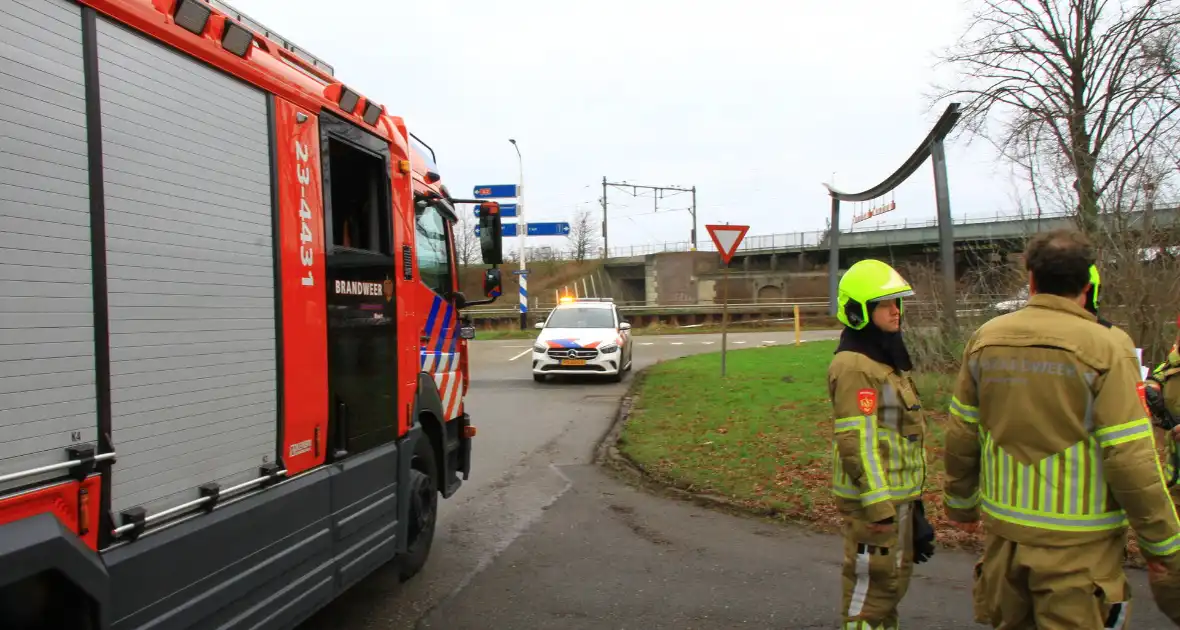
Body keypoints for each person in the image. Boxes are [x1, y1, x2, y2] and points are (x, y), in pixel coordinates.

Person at [942, 229, 1180, 627]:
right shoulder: (1108, 346)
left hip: (1005, 544)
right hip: (1079, 552)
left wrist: (960, 503)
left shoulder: (986, 338)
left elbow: (963, 429)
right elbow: (1129, 457)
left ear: (1031, 279)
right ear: (1087, 286)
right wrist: (1162, 544)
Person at [828, 258, 935, 630]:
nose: (896, 311)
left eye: (898, 302)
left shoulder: (883, 359)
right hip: (876, 510)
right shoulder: (856, 366)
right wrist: (880, 509)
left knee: (888, 592)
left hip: (896, 503)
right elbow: (856, 440)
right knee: (869, 601)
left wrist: (913, 509)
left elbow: (897, 436)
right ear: (859, 311)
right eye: (885, 304)